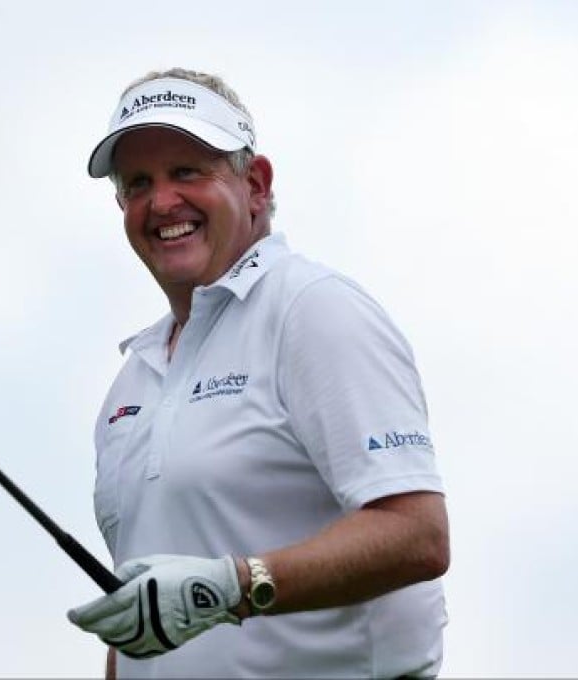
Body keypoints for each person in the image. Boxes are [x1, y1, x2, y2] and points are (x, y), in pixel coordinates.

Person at [67, 67, 450, 679]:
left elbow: (417, 536)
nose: (162, 201)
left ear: (256, 184)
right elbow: (143, 627)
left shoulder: (312, 309)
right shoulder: (132, 383)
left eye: (187, 171)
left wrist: (233, 587)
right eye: (138, 183)